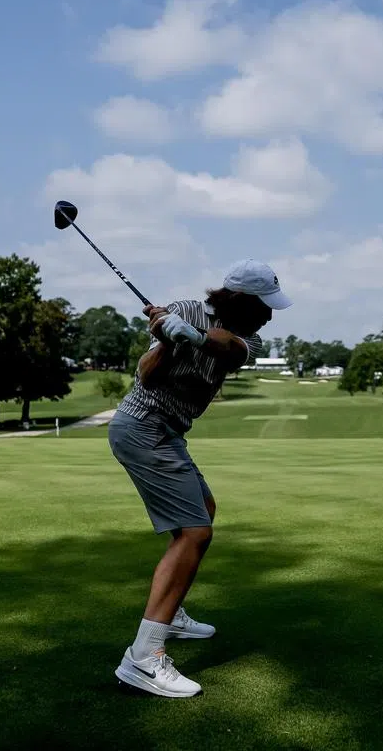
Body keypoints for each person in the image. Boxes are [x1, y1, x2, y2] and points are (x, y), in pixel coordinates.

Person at [108, 258, 292, 698]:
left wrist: (192, 335)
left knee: (203, 512)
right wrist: (168, 341)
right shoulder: (185, 309)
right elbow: (146, 377)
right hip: (142, 425)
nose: (270, 314)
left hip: (169, 432)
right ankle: (144, 657)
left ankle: (170, 616)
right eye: (264, 305)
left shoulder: (248, 337)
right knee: (195, 532)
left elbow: (231, 350)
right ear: (241, 299)